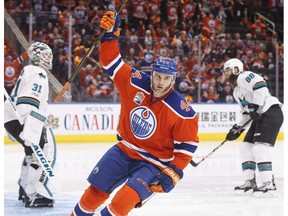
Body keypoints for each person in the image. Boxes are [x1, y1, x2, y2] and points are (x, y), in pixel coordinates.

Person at [71, 11, 199, 216]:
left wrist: (174, 172)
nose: (160, 82)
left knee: (121, 204)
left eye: (166, 79)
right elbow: (111, 62)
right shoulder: (134, 82)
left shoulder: (182, 111)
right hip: (123, 150)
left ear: (173, 80)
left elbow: (187, 147)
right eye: (157, 76)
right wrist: (109, 36)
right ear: (152, 73)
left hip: (154, 163)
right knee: (92, 194)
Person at [4, 42, 57, 207]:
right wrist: (31, 124)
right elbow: (28, 99)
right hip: (25, 116)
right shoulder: (39, 72)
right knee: (44, 152)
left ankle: (24, 189)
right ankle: (34, 193)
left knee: (30, 154)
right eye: (46, 54)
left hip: (12, 117)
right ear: (38, 55)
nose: (49, 58)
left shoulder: (29, 70)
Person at [224, 58, 283, 197]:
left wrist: (255, 105)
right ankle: (250, 182)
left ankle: (269, 184)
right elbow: (247, 113)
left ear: (236, 69)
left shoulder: (244, 76)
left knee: (260, 148)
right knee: (245, 147)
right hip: (260, 115)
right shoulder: (236, 91)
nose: (225, 73)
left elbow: (261, 85)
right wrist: (236, 129)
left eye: (227, 70)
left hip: (271, 111)